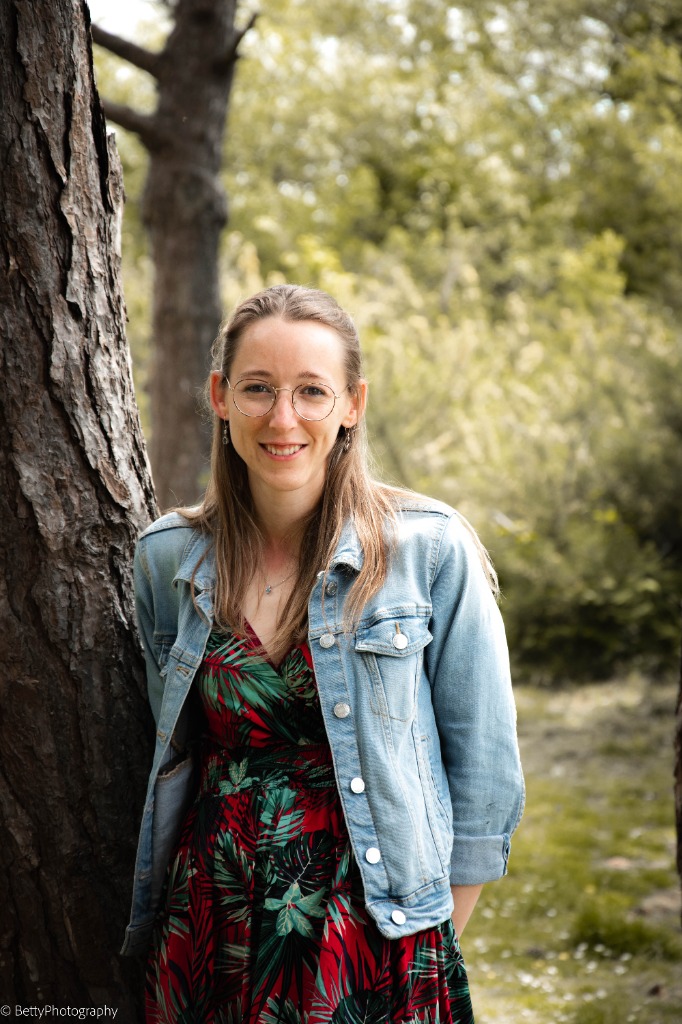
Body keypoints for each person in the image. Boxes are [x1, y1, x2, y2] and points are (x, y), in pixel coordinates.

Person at [121, 284, 525, 1024]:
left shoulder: (429, 552)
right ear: (219, 396)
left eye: (312, 390)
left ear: (353, 403)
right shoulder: (165, 559)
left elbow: (487, 772)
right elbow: (167, 754)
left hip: (378, 930)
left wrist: (429, 940)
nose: (284, 418)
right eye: (258, 389)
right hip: (210, 921)